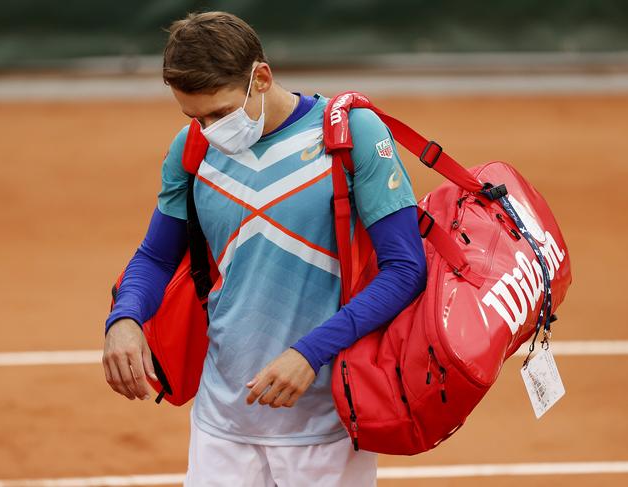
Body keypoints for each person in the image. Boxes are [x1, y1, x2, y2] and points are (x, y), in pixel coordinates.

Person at [102, 10, 427, 487]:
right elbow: (155, 257)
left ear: (261, 77)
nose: (210, 130)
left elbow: (405, 268)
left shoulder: (353, 134)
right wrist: (125, 318)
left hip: (326, 428)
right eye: (194, 117)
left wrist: (310, 352)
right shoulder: (191, 148)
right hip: (222, 425)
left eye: (220, 113)